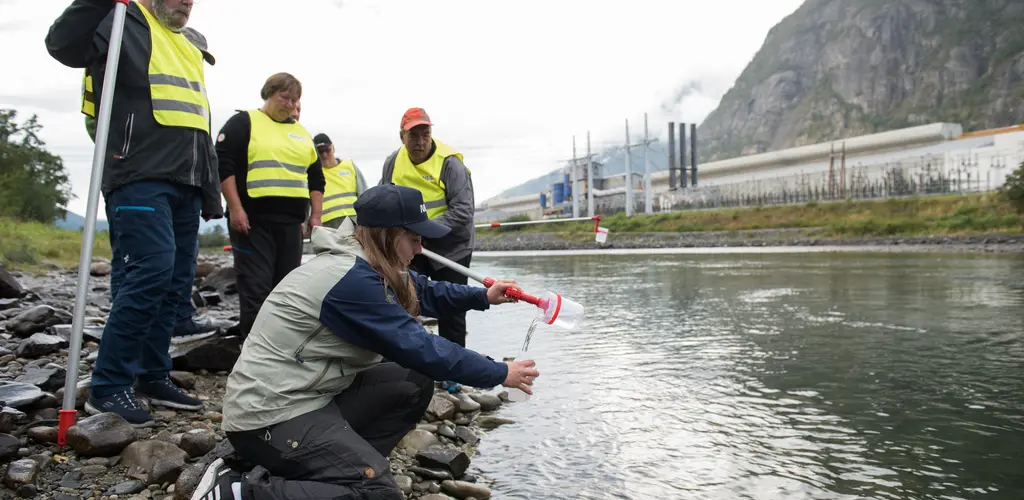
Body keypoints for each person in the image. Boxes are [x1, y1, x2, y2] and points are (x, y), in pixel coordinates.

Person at [189, 184, 539, 500]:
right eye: (415, 239)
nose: (420, 248)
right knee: (378, 493)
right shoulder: (350, 280)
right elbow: (422, 347)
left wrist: (483, 297)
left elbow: (426, 291)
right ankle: (236, 491)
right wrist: (498, 371)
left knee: (412, 381)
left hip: (306, 399)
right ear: (388, 236)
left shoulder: (369, 265)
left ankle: (334, 471)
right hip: (268, 417)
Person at [46, 0, 222, 424]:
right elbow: (62, 45)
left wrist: (210, 188)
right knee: (151, 273)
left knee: (175, 285)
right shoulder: (122, 18)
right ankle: (108, 386)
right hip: (138, 172)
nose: (187, 2)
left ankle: (150, 373)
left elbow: (199, 120)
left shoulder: (189, 43)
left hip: (188, 181)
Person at [80, 26, 223, 342]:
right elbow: (96, 121)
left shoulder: (194, 91)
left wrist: (211, 196)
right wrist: (128, 155)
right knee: (139, 263)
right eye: (194, 53)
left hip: (186, 183)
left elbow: (203, 144)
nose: (196, 60)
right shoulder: (130, 63)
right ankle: (128, 333)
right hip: (135, 176)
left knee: (179, 264)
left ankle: (177, 321)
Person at [215, 72, 325, 338]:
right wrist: (235, 208)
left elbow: (316, 178)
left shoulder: (301, 133)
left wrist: (316, 217)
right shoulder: (244, 123)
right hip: (253, 222)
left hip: (290, 224)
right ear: (268, 94)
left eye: (294, 100)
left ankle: (280, 346)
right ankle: (252, 351)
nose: (288, 104)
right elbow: (223, 166)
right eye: (283, 97)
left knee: (286, 288)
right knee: (256, 287)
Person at [380, 108, 477, 350]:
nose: (420, 141)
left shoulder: (450, 163)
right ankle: (413, 358)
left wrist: (427, 230)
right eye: (414, 135)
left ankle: (454, 370)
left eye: (426, 134)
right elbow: (385, 199)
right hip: (411, 247)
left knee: (452, 308)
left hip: (452, 247)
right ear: (402, 136)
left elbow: (464, 209)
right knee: (405, 301)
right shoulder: (393, 162)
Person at [313, 132, 367, 229]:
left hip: (353, 221)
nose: (324, 154)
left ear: (333, 148)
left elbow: (364, 193)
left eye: (327, 150)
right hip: (326, 225)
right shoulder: (314, 174)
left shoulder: (349, 166)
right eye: (320, 152)